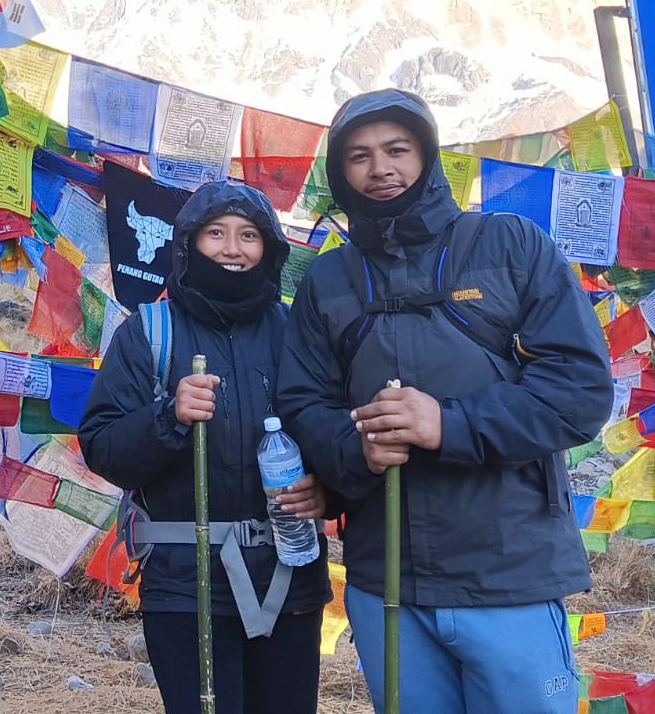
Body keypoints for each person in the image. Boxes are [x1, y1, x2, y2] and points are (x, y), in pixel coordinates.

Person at [279, 90, 613, 714]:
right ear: (340, 173)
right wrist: (357, 451)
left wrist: (448, 424)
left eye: (397, 150)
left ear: (428, 157)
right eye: (359, 156)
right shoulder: (329, 280)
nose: (380, 168)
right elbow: (303, 403)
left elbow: (580, 390)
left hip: (508, 575)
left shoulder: (512, 246)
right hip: (388, 585)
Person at [80, 179, 330, 714]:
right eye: (216, 233)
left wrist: (328, 490)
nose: (232, 249)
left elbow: (330, 431)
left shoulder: (298, 333)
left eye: (248, 235)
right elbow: (101, 448)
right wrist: (167, 417)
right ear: (188, 243)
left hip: (290, 574)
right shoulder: (149, 333)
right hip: (185, 584)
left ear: (270, 249)